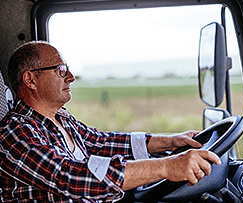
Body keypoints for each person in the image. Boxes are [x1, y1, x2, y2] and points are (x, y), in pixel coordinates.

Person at [0, 41, 221, 202]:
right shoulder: (13, 134)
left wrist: (171, 142)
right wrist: (166, 166)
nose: (71, 77)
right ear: (30, 79)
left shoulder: (62, 119)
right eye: (61, 70)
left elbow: (103, 142)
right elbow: (72, 175)